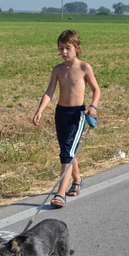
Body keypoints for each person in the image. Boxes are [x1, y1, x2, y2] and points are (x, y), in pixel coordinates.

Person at [32, 30, 101, 208]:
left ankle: (60, 193)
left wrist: (93, 106)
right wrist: (39, 110)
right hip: (60, 113)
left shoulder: (84, 67)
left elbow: (96, 90)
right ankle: (77, 180)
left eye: (67, 48)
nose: (64, 52)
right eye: (61, 48)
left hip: (77, 115)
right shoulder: (58, 69)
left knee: (67, 152)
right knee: (67, 149)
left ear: (77, 48)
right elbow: (49, 92)